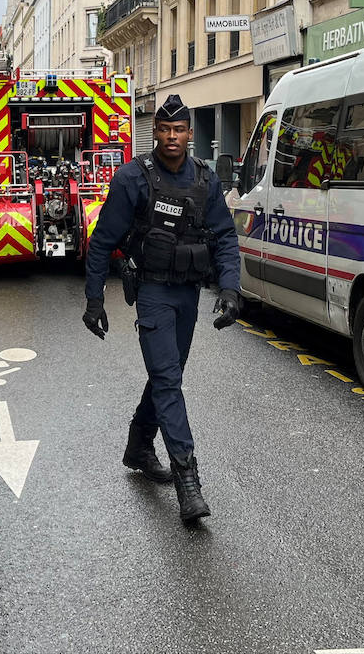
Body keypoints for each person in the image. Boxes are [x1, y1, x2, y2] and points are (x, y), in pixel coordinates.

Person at [81, 94, 241, 526]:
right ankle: (188, 478)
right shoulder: (133, 178)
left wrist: (229, 288)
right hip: (151, 291)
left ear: (190, 134)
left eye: (180, 131)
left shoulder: (206, 180)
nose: (172, 138)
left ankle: (137, 446)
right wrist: (95, 298)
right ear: (157, 132)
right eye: (165, 131)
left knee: (167, 376)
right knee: (168, 379)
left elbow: (225, 237)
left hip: (187, 294)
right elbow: (101, 242)